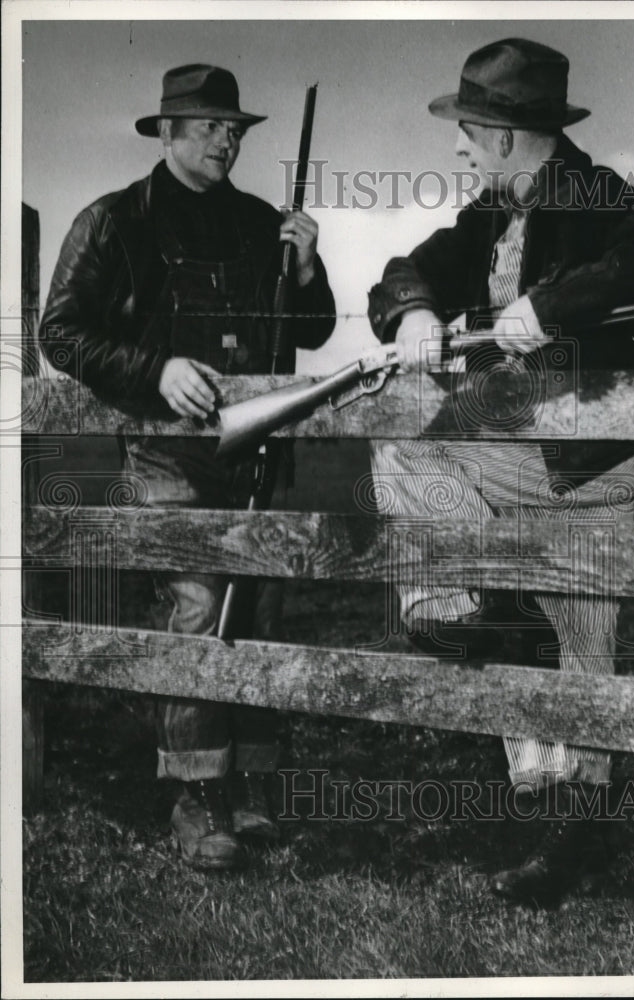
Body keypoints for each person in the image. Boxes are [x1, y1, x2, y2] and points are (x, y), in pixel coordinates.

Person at [367, 38, 634, 905]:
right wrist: (413, 309)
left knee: (411, 449)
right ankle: (570, 841)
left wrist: (548, 307)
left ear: (505, 135)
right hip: (535, 454)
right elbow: (398, 275)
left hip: (593, 455)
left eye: (467, 130)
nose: (456, 146)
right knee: (583, 640)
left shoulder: (596, 196)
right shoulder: (489, 214)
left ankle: (460, 613)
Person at [40, 64, 336, 870]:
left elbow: (309, 332)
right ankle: (196, 796)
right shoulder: (113, 222)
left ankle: (252, 788)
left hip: (259, 451)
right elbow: (60, 334)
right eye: (209, 127)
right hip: (166, 449)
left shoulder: (259, 222)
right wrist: (154, 371)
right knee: (201, 605)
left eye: (233, 127)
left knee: (261, 610)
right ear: (166, 133)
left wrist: (307, 271)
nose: (227, 139)